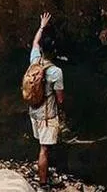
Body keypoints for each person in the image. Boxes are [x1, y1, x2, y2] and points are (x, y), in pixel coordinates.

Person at [29, 12, 64, 188]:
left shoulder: (34, 60)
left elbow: (35, 42)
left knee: (42, 145)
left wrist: (42, 26)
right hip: (47, 116)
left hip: (33, 112)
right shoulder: (56, 72)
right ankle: (43, 182)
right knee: (44, 149)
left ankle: (44, 171)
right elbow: (60, 98)